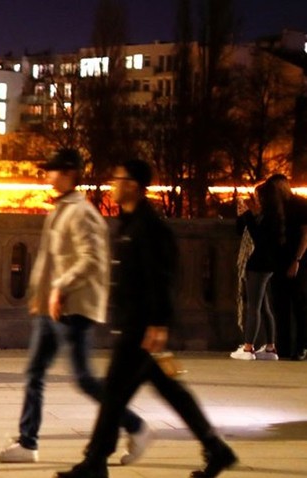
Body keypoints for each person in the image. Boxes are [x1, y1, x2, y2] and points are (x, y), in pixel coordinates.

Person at [56, 159, 236, 478]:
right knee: (170, 390)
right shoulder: (130, 223)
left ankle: (95, 461)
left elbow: (161, 278)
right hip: (135, 325)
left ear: (134, 187)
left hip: (141, 328)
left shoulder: (149, 227)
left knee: (114, 393)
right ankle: (217, 449)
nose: (112, 184)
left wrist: (158, 325)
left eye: (118, 179)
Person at [0, 149, 148, 464]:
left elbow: (92, 260)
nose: (49, 176)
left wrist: (60, 287)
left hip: (72, 307)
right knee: (35, 373)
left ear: (71, 174)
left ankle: (136, 426)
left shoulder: (82, 213)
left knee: (84, 379)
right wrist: (41, 293)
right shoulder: (62, 209)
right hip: (52, 308)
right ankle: (27, 442)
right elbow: (51, 258)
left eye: (55, 171)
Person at [231, 183, 281, 360]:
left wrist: (249, 215)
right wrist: (243, 213)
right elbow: (241, 230)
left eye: (258, 196)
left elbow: (258, 237)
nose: (256, 199)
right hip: (265, 264)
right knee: (264, 306)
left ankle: (248, 348)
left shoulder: (271, 217)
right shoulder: (267, 214)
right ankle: (270, 347)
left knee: (254, 306)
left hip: (260, 264)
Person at [265, 174, 307, 361]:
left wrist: (296, 260)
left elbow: (306, 235)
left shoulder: (300, 204)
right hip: (279, 261)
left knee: (299, 305)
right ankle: (284, 348)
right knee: (281, 306)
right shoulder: (273, 207)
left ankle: (301, 347)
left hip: (297, 261)